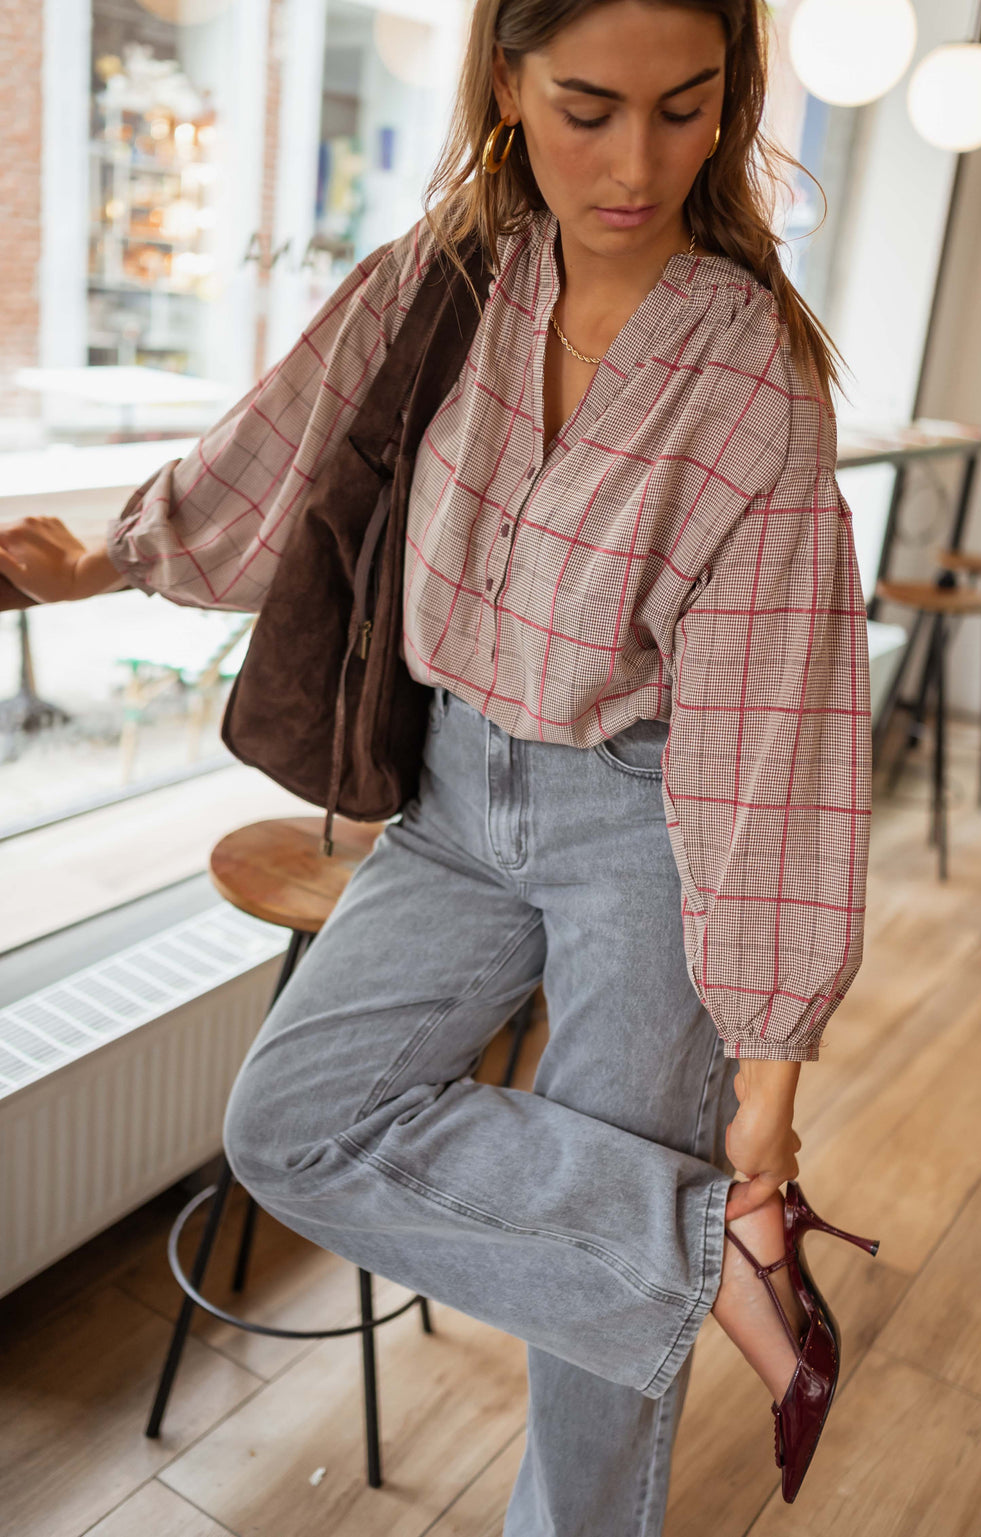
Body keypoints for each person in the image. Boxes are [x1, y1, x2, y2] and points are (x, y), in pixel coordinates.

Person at [0, 0, 876, 1528]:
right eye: (588, 106)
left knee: (590, 1337)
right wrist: (91, 566)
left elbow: (773, 737)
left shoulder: (751, 377)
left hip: (650, 825)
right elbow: (271, 461)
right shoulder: (446, 275)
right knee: (295, 1123)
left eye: (688, 106)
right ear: (506, 77)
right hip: (456, 797)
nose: (639, 161)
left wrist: (771, 1081)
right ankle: (704, 1251)